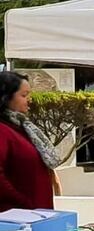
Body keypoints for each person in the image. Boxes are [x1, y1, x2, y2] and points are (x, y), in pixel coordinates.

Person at [0, 72, 60, 212]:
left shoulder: (21, 128)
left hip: (34, 213)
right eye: (24, 95)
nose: (29, 100)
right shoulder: (3, 130)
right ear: (6, 97)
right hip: (17, 217)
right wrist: (23, 202)